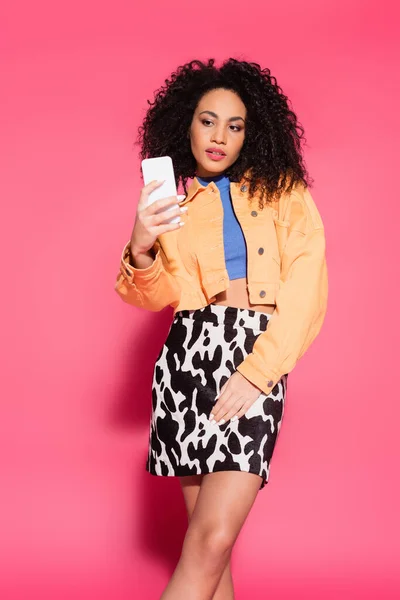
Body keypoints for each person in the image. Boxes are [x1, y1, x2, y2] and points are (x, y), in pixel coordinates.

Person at [114, 57, 328, 600]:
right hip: (186, 361)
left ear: (250, 135)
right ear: (186, 124)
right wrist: (141, 244)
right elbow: (156, 296)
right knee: (210, 552)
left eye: (235, 126)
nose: (219, 136)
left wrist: (259, 373)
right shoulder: (175, 206)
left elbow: (307, 294)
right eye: (208, 120)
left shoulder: (284, 194)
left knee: (210, 541)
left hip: (252, 351)